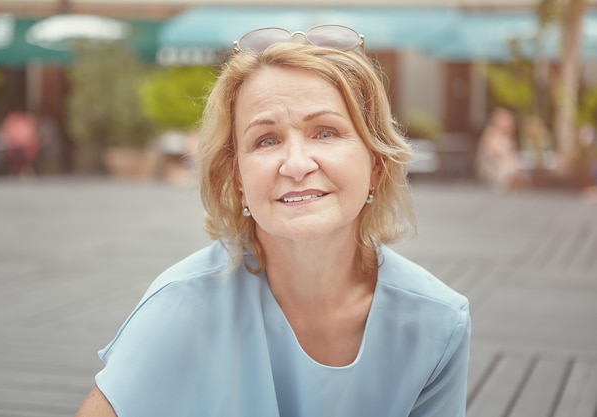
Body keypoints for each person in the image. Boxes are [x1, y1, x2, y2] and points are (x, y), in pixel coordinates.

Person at [75, 24, 471, 417]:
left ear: (377, 165)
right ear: (237, 179)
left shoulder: (438, 323)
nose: (297, 165)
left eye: (326, 132)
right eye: (266, 140)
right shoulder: (181, 304)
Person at [475, 107, 530, 192]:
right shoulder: (492, 134)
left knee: (516, 163)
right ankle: (510, 180)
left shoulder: (508, 137)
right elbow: (494, 154)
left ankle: (517, 179)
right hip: (493, 166)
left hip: (504, 164)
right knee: (510, 165)